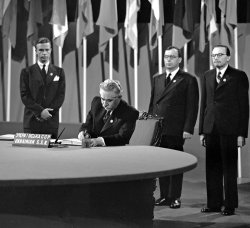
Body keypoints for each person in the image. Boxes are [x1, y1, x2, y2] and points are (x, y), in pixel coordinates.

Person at [199, 45, 249, 216]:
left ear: (228, 57)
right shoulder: (207, 75)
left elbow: (244, 106)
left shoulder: (239, 76)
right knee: (212, 168)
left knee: (229, 169)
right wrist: (202, 131)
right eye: (214, 55)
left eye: (220, 55)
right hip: (210, 128)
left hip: (230, 130)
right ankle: (213, 203)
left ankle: (229, 205)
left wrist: (242, 133)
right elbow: (204, 104)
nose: (216, 58)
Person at [148, 46, 199, 209]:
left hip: (176, 128)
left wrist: (188, 128)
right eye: (166, 57)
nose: (168, 60)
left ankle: (175, 196)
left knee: (176, 163)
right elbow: (152, 104)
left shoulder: (188, 79)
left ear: (179, 60)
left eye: (172, 57)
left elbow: (192, 106)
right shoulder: (157, 78)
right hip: (159, 128)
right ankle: (164, 196)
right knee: (161, 163)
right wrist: (149, 125)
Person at [20, 37, 66, 139]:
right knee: (31, 155)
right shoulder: (26, 72)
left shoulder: (59, 72)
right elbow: (25, 96)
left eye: (47, 50)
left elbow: (60, 96)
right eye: (41, 50)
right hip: (31, 122)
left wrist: (48, 113)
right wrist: (40, 112)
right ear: (36, 51)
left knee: (50, 154)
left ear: (50, 51)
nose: (44, 53)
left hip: (51, 122)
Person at [78, 79, 139, 146]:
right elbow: (87, 125)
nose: (104, 104)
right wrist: (83, 133)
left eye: (109, 100)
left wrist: (101, 141)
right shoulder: (96, 103)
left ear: (119, 97)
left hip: (114, 152)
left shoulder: (130, 112)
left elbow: (123, 138)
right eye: (102, 99)